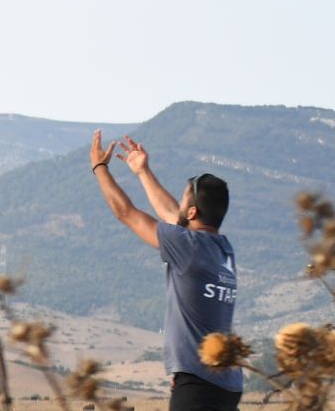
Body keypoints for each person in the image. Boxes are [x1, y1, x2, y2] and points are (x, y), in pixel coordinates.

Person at [90, 130, 242, 411]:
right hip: (228, 383)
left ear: (194, 213)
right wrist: (143, 172)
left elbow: (126, 212)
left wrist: (99, 168)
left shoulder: (188, 247)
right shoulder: (223, 250)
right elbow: (173, 213)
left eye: (185, 199)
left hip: (198, 386)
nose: (179, 204)